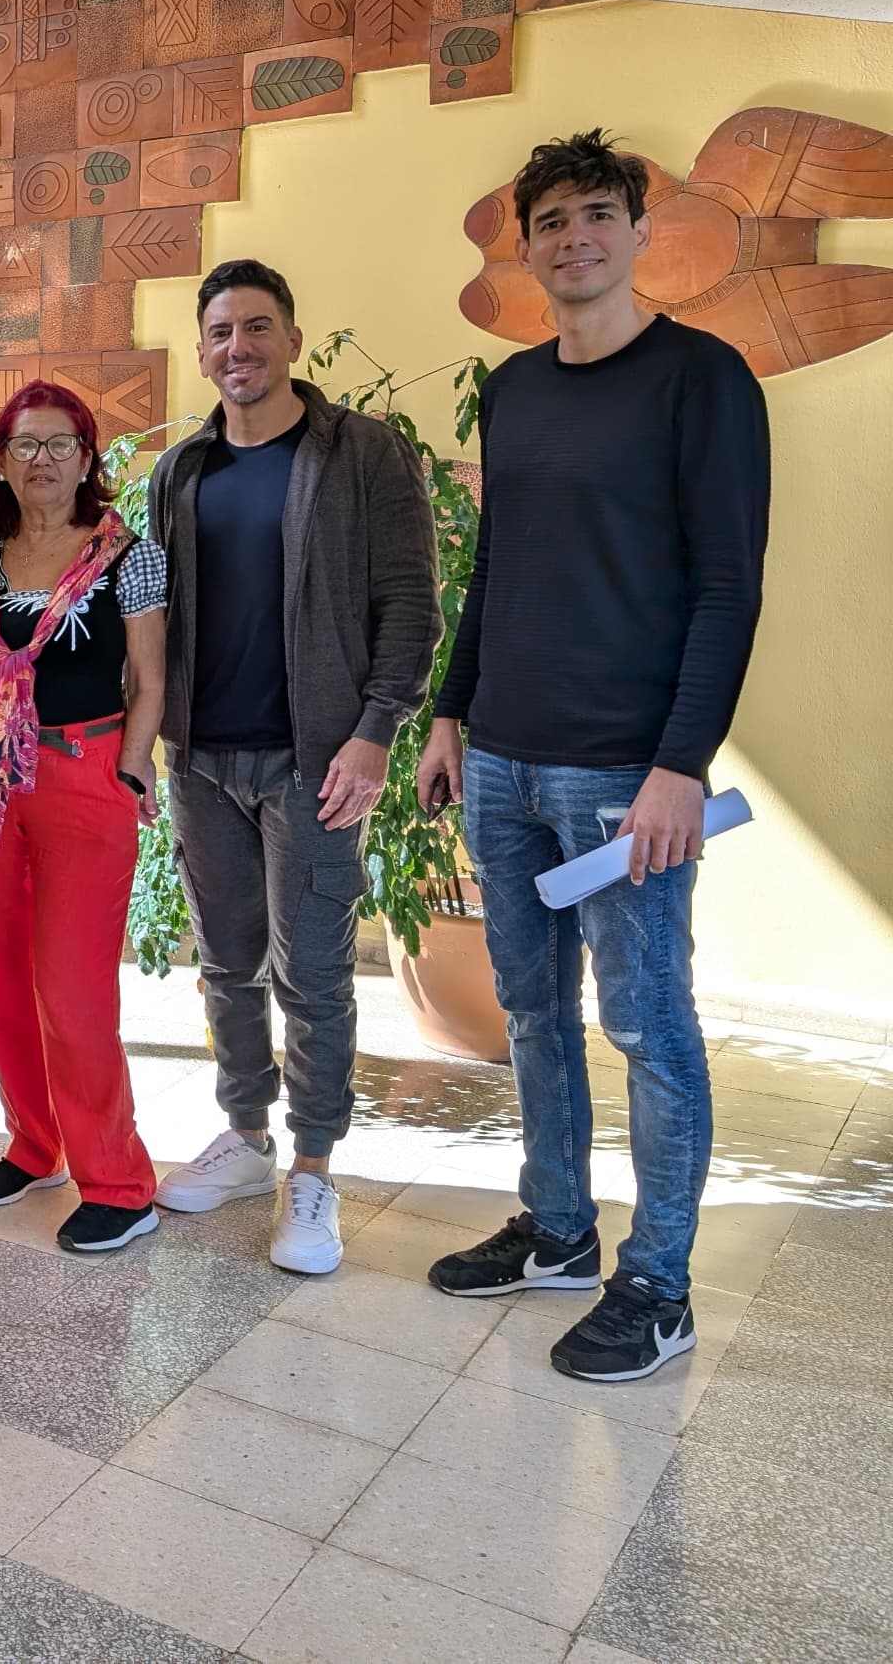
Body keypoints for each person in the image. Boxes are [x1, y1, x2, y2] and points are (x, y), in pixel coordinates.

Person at [419, 130, 769, 1382]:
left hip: (625, 775)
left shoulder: (702, 380)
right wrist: (450, 713)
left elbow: (727, 588)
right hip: (504, 761)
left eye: (596, 215)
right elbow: (493, 568)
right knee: (529, 1010)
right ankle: (558, 1228)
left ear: (637, 233)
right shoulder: (513, 388)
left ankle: (658, 1285)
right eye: (552, 221)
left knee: (647, 1024)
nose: (574, 238)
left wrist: (681, 764)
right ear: (527, 247)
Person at [146, 261, 440, 1275]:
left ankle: (312, 1169)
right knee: (225, 963)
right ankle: (245, 1137)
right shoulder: (180, 470)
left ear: (293, 341)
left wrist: (376, 731)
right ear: (202, 352)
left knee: (311, 973)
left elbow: (410, 602)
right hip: (202, 761)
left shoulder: (361, 452)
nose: (239, 347)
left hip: (314, 762)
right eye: (221, 331)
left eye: (258, 327)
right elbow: (155, 614)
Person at [0, 381, 167, 1253]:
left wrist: (132, 768)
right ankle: (37, 1145)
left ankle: (120, 1183)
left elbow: (149, 679)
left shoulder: (127, 555)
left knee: (73, 990)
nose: (43, 460)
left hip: (83, 773)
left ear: (87, 457)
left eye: (61, 443)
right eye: (25, 444)